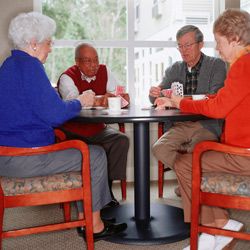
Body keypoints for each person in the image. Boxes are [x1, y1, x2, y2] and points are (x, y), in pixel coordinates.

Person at [0, 11, 127, 241]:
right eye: (49, 43)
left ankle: (86, 216)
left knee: (82, 149)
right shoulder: (30, 67)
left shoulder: (9, 65)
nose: (50, 48)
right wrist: (81, 101)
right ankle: (94, 226)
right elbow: (55, 115)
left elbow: (35, 108)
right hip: (26, 158)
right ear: (33, 43)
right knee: (95, 154)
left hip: (8, 156)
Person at [155, 8, 250, 250]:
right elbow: (224, 99)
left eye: (219, 42)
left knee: (187, 163)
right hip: (241, 149)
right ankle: (219, 226)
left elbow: (218, 108)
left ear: (235, 39)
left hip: (243, 155)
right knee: (190, 161)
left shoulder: (242, 66)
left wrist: (180, 102)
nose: (217, 49)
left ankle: (211, 230)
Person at [149, 25, 227, 196]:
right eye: (180, 46)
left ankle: (189, 184)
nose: (183, 50)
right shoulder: (174, 69)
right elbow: (159, 96)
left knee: (195, 150)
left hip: (206, 124)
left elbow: (213, 96)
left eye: (188, 45)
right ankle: (191, 182)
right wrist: (154, 94)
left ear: (200, 45)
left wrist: (179, 101)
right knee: (159, 149)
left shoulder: (217, 65)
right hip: (179, 125)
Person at [57, 43, 129, 207]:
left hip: (98, 128)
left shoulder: (105, 71)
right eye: (88, 61)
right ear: (77, 62)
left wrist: (121, 97)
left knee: (120, 140)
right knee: (99, 148)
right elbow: (76, 101)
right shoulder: (67, 77)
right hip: (73, 131)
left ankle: (107, 191)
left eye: (96, 60)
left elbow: (117, 94)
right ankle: (87, 194)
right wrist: (103, 98)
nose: (94, 65)